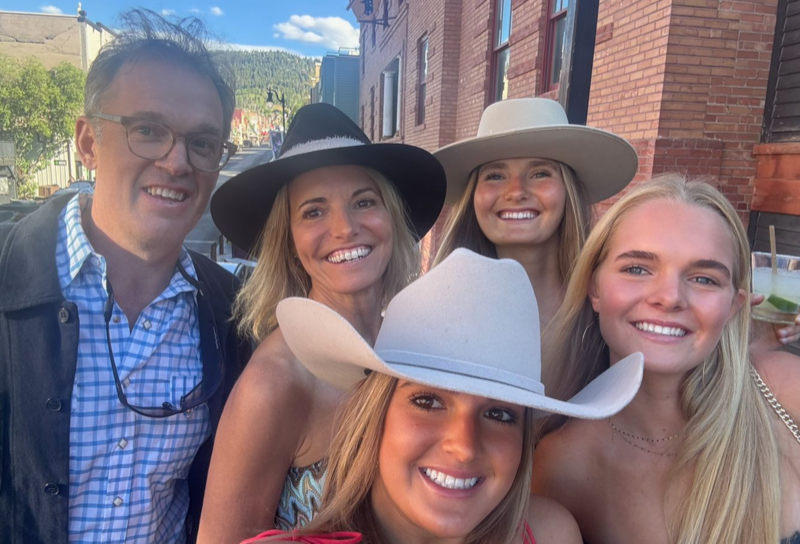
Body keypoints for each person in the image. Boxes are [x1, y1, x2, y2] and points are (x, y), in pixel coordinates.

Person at [0, 10, 250, 544]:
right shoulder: (6, 275)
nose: (177, 162)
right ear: (89, 142)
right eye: (148, 131)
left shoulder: (230, 314)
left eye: (203, 143)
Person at [242, 248, 644, 544]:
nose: (463, 447)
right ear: (374, 414)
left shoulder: (550, 534)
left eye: (499, 414)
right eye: (428, 402)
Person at [198, 103, 447, 543]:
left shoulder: (409, 346)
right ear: (289, 240)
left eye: (364, 202)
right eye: (314, 211)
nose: (345, 228)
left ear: (392, 217)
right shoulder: (274, 383)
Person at [532, 175, 800, 543]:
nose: (670, 297)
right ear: (595, 287)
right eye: (637, 269)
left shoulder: (785, 391)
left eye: (704, 279)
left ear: (733, 306)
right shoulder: (559, 465)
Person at [432, 98, 638, 330]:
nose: (516, 192)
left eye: (540, 173)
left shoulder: (614, 310)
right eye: (495, 176)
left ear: (568, 190)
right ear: (473, 195)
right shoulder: (433, 315)